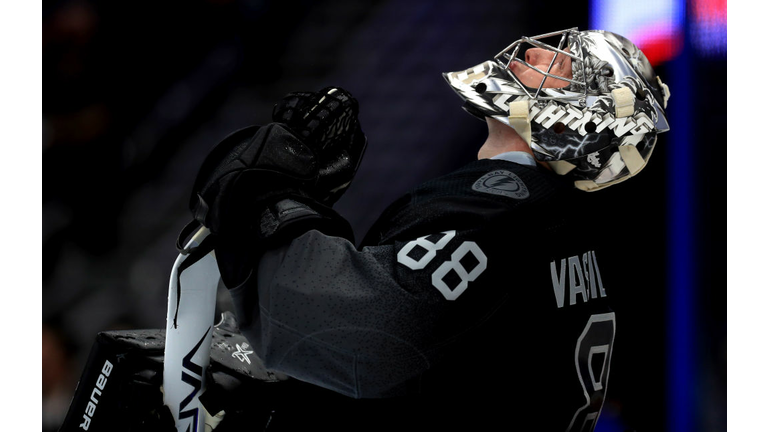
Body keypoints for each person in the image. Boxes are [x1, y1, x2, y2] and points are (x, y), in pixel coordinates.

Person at [182, 28, 671, 431]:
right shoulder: (563, 220)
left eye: (560, 63)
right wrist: (307, 207)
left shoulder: (502, 213)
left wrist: (264, 191)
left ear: (579, 118)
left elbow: (359, 336)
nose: (533, 53)